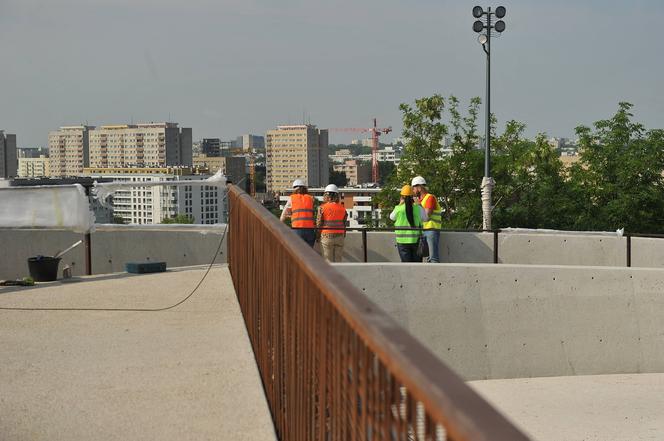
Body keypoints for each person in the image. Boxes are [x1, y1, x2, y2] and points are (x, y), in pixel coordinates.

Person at [390, 185, 428, 262]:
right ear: (412, 197)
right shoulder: (418, 208)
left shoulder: (398, 209)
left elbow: (391, 217)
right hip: (415, 241)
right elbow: (425, 218)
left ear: (402, 197)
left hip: (402, 241)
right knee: (417, 265)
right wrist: (419, 204)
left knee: (406, 266)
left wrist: (399, 205)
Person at [412, 176, 442, 263]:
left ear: (419, 187)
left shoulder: (430, 198)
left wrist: (418, 205)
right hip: (423, 231)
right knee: (428, 258)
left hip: (431, 230)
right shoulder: (420, 200)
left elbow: (426, 216)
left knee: (433, 257)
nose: (413, 190)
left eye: (414, 187)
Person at [280, 179, 316, 247]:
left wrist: (280, 223)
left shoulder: (292, 198)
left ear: (294, 189)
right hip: (310, 230)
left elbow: (284, 214)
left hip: (297, 229)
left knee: (298, 252)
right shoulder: (311, 198)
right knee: (309, 252)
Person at [316, 184, 347, 262]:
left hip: (326, 236)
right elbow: (344, 224)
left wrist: (317, 236)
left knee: (327, 262)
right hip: (340, 236)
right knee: (338, 260)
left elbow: (319, 223)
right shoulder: (342, 208)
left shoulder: (322, 208)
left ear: (326, 195)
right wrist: (343, 235)